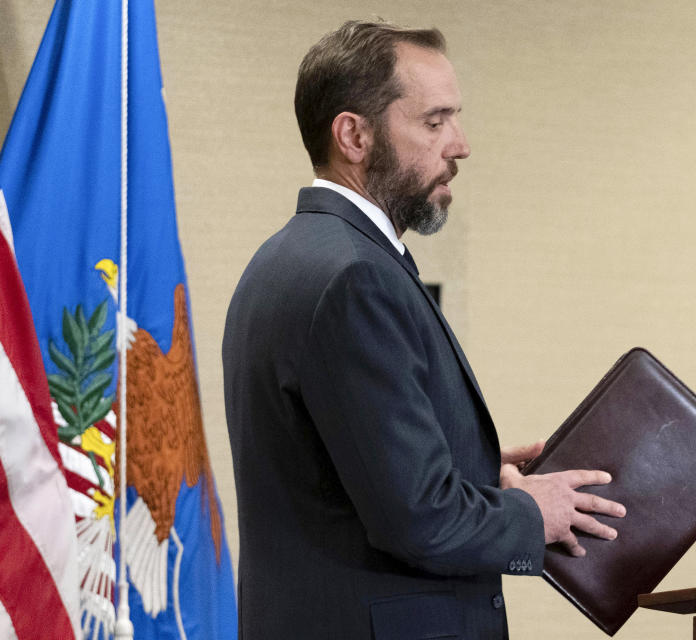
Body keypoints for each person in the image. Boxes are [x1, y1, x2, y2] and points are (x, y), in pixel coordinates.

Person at [222, 20, 626, 639]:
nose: (460, 145)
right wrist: (530, 513)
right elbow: (419, 520)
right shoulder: (354, 277)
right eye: (434, 122)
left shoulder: (289, 259)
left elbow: (347, 474)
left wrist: (474, 470)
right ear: (353, 135)